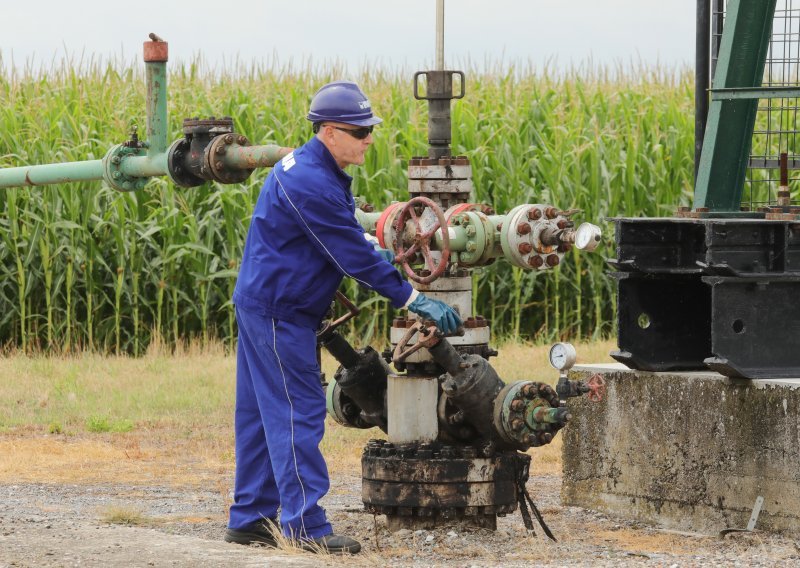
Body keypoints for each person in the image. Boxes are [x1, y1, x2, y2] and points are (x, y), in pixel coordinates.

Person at [224, 80, 462, 554]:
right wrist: (412, 299)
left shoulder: (314, 168)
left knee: (258, 415)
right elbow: (351, 255)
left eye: (369, 128)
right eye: (359, 131)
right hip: (279, 312)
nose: (368, 138)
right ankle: (304, 527)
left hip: (265, 304)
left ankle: (250, 517)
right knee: (297, 413)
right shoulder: (310, 180)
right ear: (329, 131)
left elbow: (341, 233)